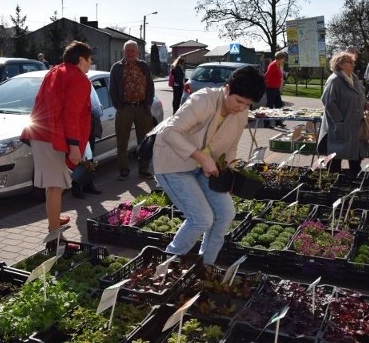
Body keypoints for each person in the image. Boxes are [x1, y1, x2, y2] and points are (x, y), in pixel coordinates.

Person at [153, 66, 265, 266]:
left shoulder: (241, 112)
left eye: (247, 104)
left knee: (226, 213)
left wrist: (231, 174)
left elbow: (231, 147)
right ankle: (166, 266)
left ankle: (205, 266)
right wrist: (202, 158)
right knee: (201, 219)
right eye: (239, 101)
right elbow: (169, 132)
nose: (241, 108)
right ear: (227, 88)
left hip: (204, 168)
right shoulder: (203, 100)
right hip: (173, 163)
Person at [22, 40, 92, 235]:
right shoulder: (78, 78)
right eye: (89, 59)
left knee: (53, 182)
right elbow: (71, 113)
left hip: (41, 133)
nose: (90, 63)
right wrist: (74, 146)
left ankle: (55, 216)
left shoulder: (54, 71)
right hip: (53, 137)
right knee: (55, 185)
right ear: (81, 59)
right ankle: (54, 230)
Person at [108, 40, 155, 180]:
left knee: (145, 141)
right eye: (127, 50)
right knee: (122, 141)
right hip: (125, 108)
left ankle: (144, 169)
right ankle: (124, 170)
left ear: (137, 53)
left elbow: (150, 86)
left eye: (132, 51)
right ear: (124, 52)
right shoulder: (116, 68)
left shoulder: (144, 66)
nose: (130, 53)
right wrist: (119, 106)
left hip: (142, 108)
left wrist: (148, 103)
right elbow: (112, 89)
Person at [317, 51, 369, 176]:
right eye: (349, 62)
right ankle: (332, 180)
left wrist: (364, 103)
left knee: (355, 154)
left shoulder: (353, 78)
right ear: (339, 64)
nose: (352, 65)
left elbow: (358, 95)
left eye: (353, 62)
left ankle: (354, 178)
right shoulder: (334, 80)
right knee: (336, 154)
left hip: (354, 124)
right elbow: (328, 102)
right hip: (339, 125)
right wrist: (339, 121)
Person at [72, 81, 103, 199]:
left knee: (89, 156)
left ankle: (88, 184)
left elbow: (95, 106)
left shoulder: (86, 81)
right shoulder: (76, 82)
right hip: (77, 124)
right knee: (77, 156)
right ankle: (77, 187)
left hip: (87, 123)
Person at [264, 51, 287, 128]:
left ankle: (278, 122)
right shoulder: (273, 65)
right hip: (271, 88)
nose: (284, 60)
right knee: (269, 106)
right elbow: (266, 76)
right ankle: (266, 123)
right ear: (280, 58)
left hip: (276, 88)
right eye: (283, 59)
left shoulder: (277, 65)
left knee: (278, 105)